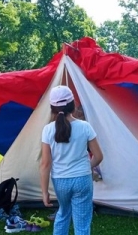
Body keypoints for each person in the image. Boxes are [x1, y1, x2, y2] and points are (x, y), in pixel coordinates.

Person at [39, 85, 104, 235]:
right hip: (82, 179)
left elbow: (45, 164)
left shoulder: (48, 130)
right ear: (73, 105)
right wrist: (88, 167)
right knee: (82, 223)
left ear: (52, 108)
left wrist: (44, 192)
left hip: (60, 181)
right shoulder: (85, 127)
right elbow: (99, 156)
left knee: (63, 213)